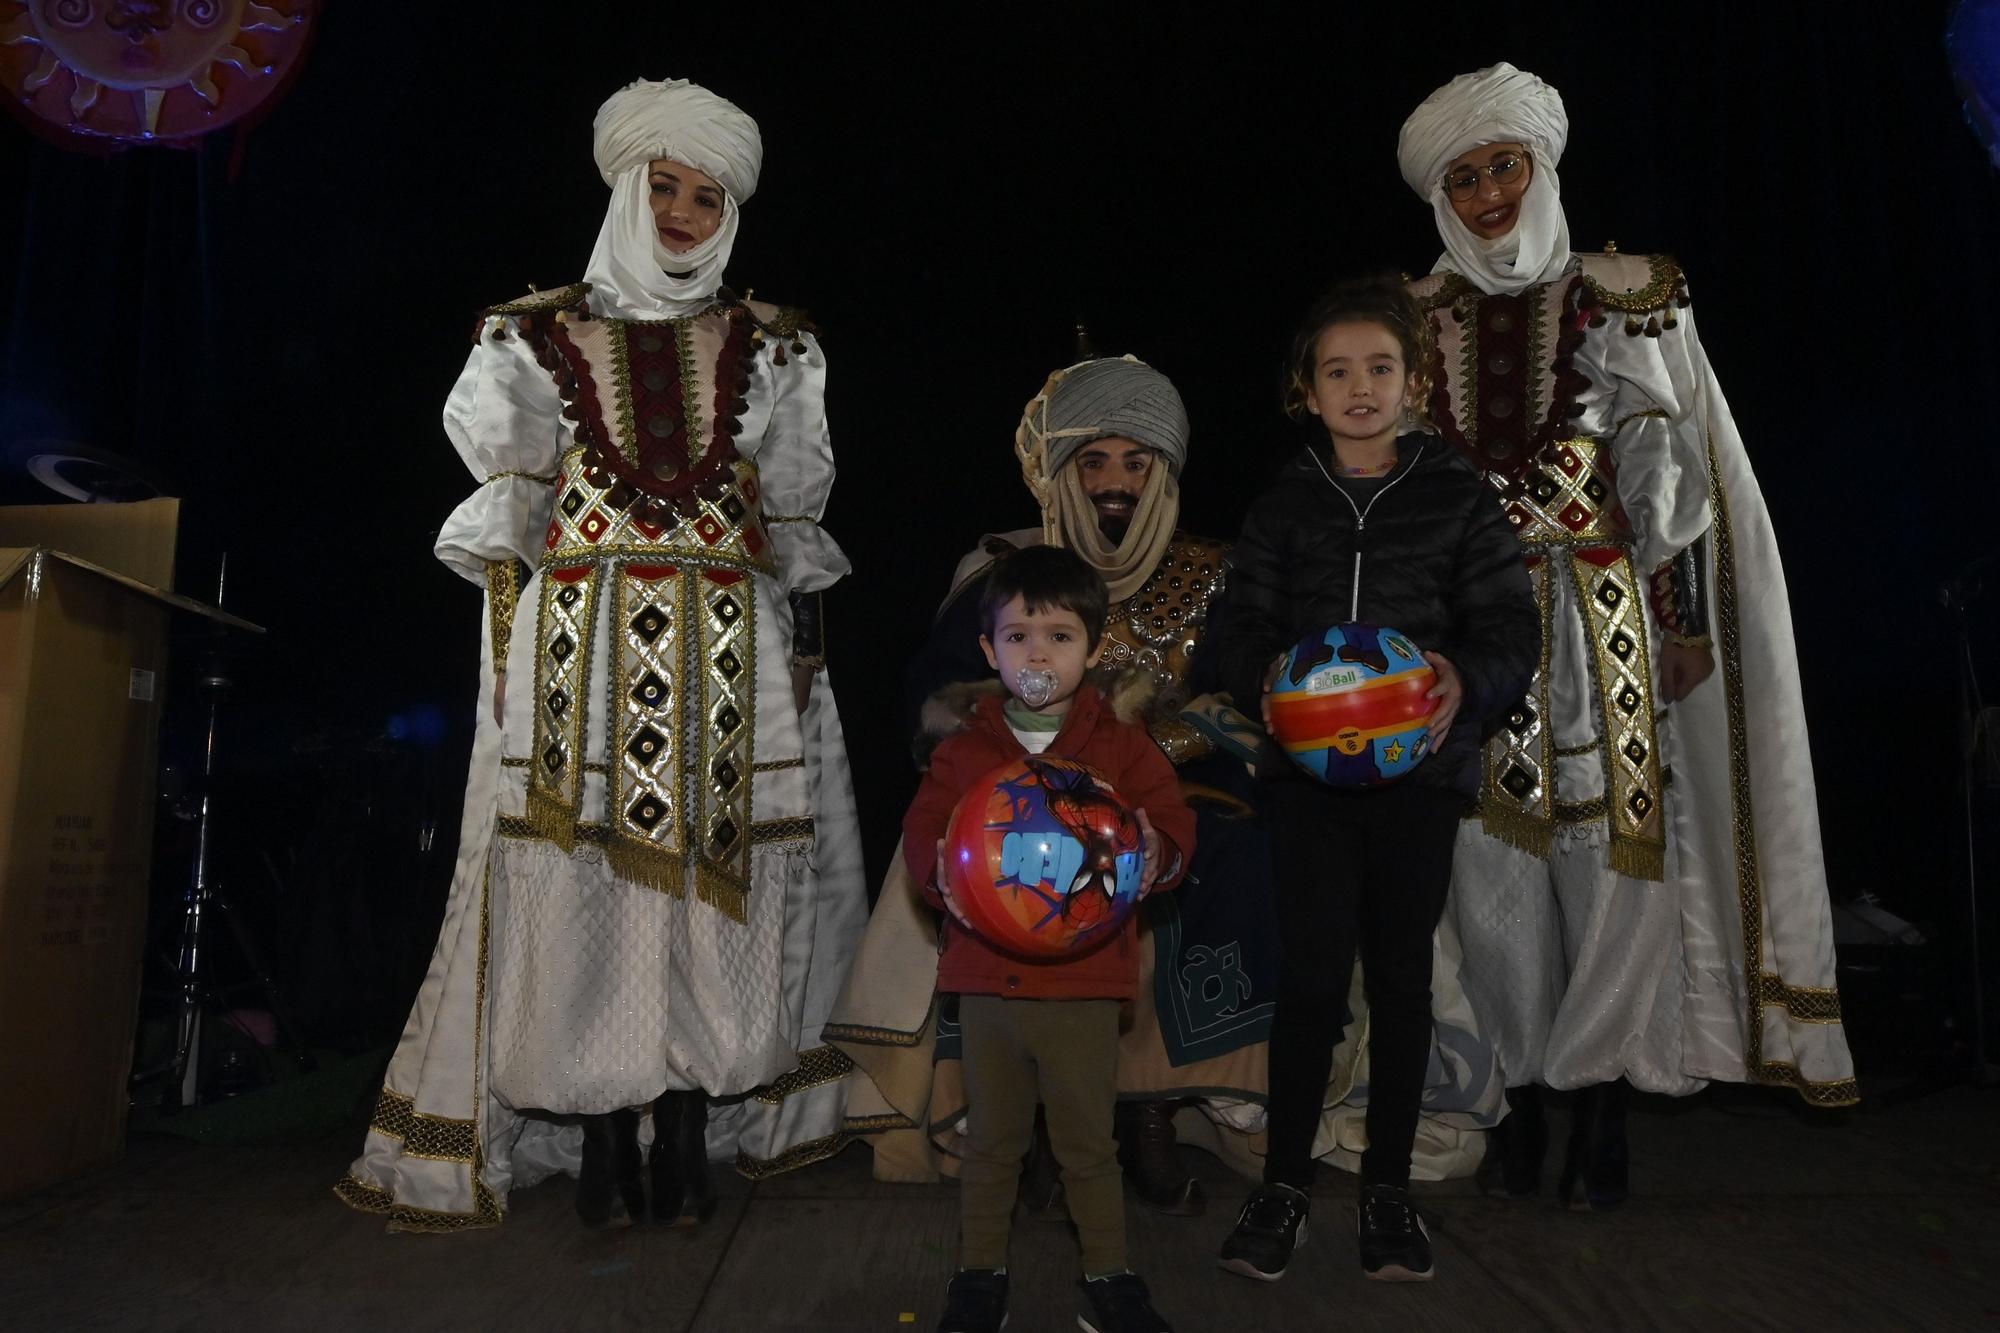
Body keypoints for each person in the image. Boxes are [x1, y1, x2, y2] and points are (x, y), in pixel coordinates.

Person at [335, 77, 866, 1232]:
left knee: (709, 895)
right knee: (583, 895)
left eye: (705, 193)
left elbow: (791, 524)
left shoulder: (777, 346)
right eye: (662, 186)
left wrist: (799, 673)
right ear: (625, 188)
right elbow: (508, 525)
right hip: (579, 654)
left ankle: (684, 1132)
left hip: (731, 661)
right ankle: (597, 1143)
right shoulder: (528, 333)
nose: (681, 211)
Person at [1396, 63, 1857, 1205]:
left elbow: (1676, 472)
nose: (1489, 189)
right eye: (1464, 174)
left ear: (1540, 167)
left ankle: (1597, 1101)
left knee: (1615, 869)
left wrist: (1684, 619)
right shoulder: (1413, 316)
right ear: (1438, 195)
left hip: (1610, 626)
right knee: (1489, 879)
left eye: (1503, 164)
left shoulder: (1628, 290)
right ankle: (1510, 1099)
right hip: (1477, 636)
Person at [1214, 275, 1538, 1282]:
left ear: (1412, 383)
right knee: (1309, 984)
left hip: (1419, 782)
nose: (1359, 387)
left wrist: (1461, 678)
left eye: (1380, 368)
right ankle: (1281, 1188)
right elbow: (1233, 627)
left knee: (1400, 982)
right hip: (1305, 788)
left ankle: (1388, 1192)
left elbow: (1509, 628)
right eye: (1336, 371)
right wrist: (1256, 673)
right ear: (1304, 390)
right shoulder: (1285, 500)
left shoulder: (1455, 497)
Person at [909, 544, 1193, 1333]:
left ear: (1094, 649)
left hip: (1084, 984)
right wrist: (937, 873)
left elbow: (1170, 824)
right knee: (992, 1143)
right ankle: (978, 1278)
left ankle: (1110, 1279)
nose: (1039, 651)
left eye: (1060, 636)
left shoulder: (1125, 749)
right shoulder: (964, 751)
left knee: (1087, 1145)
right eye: (1019, 635)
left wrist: (1155, 848)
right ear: (988, 650)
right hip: (989, 980)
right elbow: (924, 834)